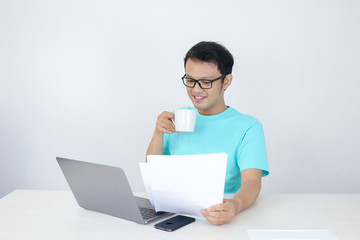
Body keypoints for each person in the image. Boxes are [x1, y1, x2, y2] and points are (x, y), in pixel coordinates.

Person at [146, 41, 269, 225]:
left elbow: (252, 182)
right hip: (174, 214)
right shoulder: (177, 118)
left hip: (217, 213)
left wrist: (235, 205)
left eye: (206, 82)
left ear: (226, 81)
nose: (196, 89)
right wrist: (158, 132)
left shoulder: (248, 127)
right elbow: (152, 172)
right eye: (190, 80)